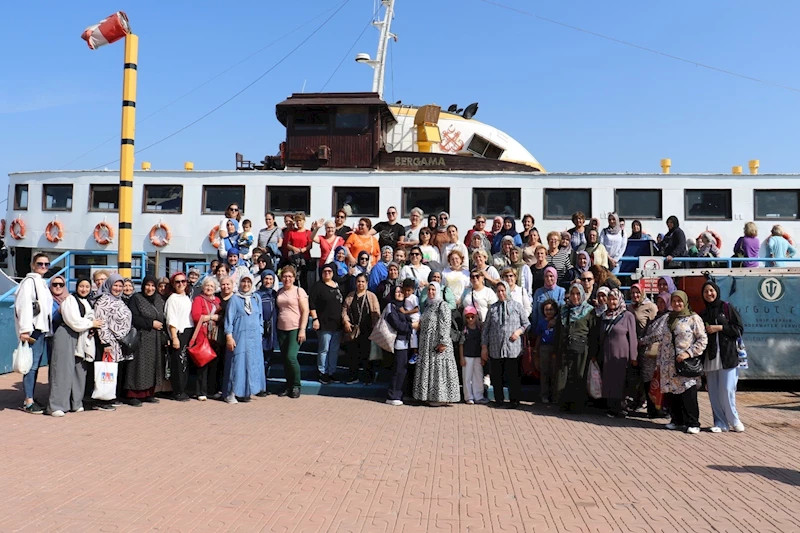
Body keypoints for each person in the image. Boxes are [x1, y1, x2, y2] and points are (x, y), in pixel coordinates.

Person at [652, 291, 708, 434]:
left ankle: (693, 422)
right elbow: (662, 341)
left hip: (684, 362)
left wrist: (688, 353)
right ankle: (677, 420)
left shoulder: (693, 318)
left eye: (679, 301)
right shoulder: (668, 318)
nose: (677, 303)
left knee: (688, 393)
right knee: (672, 393)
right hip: (668, 364)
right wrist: (659, 362)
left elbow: (702, 340)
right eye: (674, 301)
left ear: (685, 302)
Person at [48, 278, 103, 416]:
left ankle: (76, 403)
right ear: (76, 287)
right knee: (62, 370)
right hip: (66, 334)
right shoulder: (70, 300)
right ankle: (57, 406)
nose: (84, 289)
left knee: (80, 370)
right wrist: (91, 324)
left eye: (87, 286)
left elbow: (90, 318)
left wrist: (91, 326)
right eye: (81, 286)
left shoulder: (88, 302)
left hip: (82, 338)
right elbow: (73, 321)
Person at [699, 280, 745, 433]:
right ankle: (720, 423)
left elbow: (738, 329)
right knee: (713, 392)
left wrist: (720, 327)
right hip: (710, 357)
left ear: (717, 291)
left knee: (727, 389)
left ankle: (734, 420)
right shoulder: (703, 314)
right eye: (706, 292)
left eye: (711, 290)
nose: (709, 294)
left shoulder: (726, 307)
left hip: (727, 356)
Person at [481, 281, 530, 409]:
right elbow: (486, 329)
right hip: (496, 347)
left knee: (513, 375)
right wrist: (484, 347)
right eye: (498, 291)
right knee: (497, 375)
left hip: (512, 347)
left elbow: (526, 323)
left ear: (507, 291)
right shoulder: (493, 308)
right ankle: (499, 400)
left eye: (503, 290)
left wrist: (518, 332)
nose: (501, 293)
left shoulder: (517, 306)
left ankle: (514, 400)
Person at [14, 253, 54, 413]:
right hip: (33, 330)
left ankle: (30, 396)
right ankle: (28, 401)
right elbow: (23, 306)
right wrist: (24, 330)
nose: (43, 266)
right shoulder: (29, 282)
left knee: (34, 365)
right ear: (33, 265)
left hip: (41, 329)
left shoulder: (41, 282)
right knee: (30, 365)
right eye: (40, 264)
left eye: (46, 264)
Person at [413, 282, 461, 405]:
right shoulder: (428, 305)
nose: (431, 292)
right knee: (430, 369)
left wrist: (443, 342)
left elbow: (445, 324)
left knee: (439, 369)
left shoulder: (442, 305)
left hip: (437, 343)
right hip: (427, 344)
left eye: (433, 290)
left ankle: (441, 398)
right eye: (429, 290)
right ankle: (430, 396)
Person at [223, 274, 267, 403]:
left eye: (248, 282)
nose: (246, 284)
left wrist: (260, 333)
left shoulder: (256, 298)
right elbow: (229, 319)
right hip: (239, 336)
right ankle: (231, 393)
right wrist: (229, 336)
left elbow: (260, 318)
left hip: (254, 337)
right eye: (243, 281)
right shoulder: (234, 299)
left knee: (251, 363)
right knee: (237, 363)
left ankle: (245, 391)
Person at [93, 273, 133, 410]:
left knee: (115, 371)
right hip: (110, 342)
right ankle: (102, 400)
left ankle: (112, 396)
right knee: (106, 372)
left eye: (120, 286)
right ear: (109, 285)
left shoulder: (119, 300)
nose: (118, 288)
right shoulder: (103, 300)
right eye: (115, 285)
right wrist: (106, 343)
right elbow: (101, 323)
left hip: (121, 343)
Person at [596, 288, 638, 418]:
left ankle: (621, 407)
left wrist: (633, 356)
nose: (612, 302)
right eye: (609, 299)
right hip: (607, 354)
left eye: (614, 299)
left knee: (620, 380)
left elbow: (632, 337)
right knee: (608, 380)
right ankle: (610, 407)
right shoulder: (604, 315)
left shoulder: (627, 316)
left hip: (621, 354)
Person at [126, 275, 167, 406]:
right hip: (141, 337)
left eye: (153, 286)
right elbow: (133, 317)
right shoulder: (136, 298)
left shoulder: (158, 299)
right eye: (147, 285)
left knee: (152, 365)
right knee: (138, 366)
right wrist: (151, 323)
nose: (150, 288)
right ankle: (133, 395)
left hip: (155, 339)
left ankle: (148, 393)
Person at [556, 284, 596, 411]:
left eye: (578, 294)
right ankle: (564, 404)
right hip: (565, 347)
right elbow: (558, 330)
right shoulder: (564, 310)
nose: (575, 297)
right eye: (572, 294)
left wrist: (593, 353)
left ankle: (576, 406)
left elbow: (593, 333)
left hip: (581, 349)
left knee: (578, 375)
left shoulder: (589, 311)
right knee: (564, 375)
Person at [275, 266, 309, 398]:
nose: (287, 279)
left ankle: (296, 385)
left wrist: (302, 329)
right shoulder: (279, 292)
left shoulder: (299, 291)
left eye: (290, 276)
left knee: (291, 357)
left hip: (295, 328)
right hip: (281, 328)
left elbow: (305, 311)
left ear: (294, 278)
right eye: (284, 276)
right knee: (285, 359)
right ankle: (288, 385)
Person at [342, 273, 380, 384]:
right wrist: (346, 321)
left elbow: (376, 312)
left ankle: (368, 377)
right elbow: (344, 311)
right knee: (353, 354)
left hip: (367, 330)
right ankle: (353, 376)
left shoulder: (371, 296)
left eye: (363, 281)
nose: (360, 284)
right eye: (358, 281)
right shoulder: (350, 296)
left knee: (367, 354)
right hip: (353, 330)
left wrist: (375, 326)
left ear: (367, 283)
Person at [310, 263, 344, 384]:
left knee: (334, 350)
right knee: (324, 349)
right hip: (324, 323)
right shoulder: (318, 286)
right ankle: (322, 372)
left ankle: (331, 372)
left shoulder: (337, 286)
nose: (327, 273)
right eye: (325, 271)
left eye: (330, 271)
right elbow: (312, 304)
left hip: (337, 324)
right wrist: (315, 319)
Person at [165, 272, 194, 402]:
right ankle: (177, 391)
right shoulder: (172, 299)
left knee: (185, 363)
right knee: (178, 363)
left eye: (183, 281)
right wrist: (174, 337)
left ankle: (184, 389)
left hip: (189, 331)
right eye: (177, 282)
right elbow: (171, 319)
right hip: (179, 333)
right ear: (173, 284)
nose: (181, 284)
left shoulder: (187, 297)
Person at [191, 277, 222, 401]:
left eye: (212, 286)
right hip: (202, 335)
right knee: (202, 363)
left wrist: (210, 317)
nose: (209, 288)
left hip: (214, 336)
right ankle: (200, 391)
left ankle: (211, 390)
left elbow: (221, 316)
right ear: (203, 287)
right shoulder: (198, 299)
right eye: (207, 285)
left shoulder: (217, 301)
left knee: (214, 364)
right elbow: (196, 316)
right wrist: (212, 317)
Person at [383, 286, 414, 406]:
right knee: (398, 369)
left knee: (403, 369)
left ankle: (400, 394)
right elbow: (396, 324)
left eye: (401, 291)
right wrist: (410, 326)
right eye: (397, 292)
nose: (400, 293)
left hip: (407, 343)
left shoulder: (405, 307)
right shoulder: (391, 306)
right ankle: (392, 395)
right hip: (397, 342)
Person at [256, 270, 278, 395]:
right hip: (261, 331)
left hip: (272, 332)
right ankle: (259, 386)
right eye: (266, 279)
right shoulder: (257, 295)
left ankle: (264, 385)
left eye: (270, 279)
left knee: (268, 359)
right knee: (260, 360)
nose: (268, 281)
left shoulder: (275, 294)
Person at [458, 306, 487, 405]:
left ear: (476, 317)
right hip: (467, 356)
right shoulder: (465, 330)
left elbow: (482, 343)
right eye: (467, 317)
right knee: (467, 377)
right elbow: (461, 344)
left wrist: (482, 357)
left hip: (478, 356)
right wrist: (461, 357)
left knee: (478, 376)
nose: (470, 319)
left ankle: (479, 396)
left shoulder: (480, 329)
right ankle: (468, 397)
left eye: (472, 317)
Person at [533, 299, 558, 404]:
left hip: (555, 348)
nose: (549, 312)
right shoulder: (541, 322)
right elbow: (539, 336)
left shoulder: (558, 322)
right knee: (544, 372)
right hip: (544, 348)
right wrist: (536, 349)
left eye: (551, 309)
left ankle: (555, 396)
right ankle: (544, 395)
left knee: (554, 372)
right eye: (546, 310)